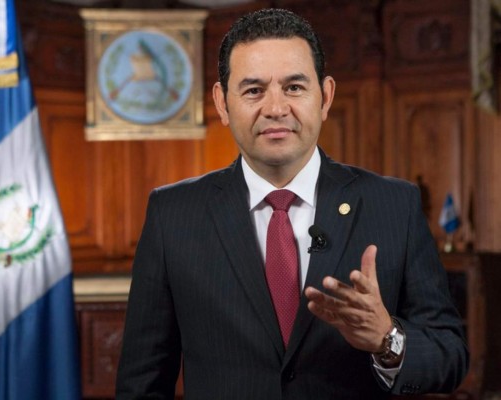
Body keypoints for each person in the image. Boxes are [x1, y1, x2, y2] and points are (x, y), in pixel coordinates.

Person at [115, 8, 468, 400]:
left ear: (325, 97)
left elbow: (450, 357)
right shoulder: (172, 215)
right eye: (253, 90)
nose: (276, 108)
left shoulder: (395, 206)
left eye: (294, 87)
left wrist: (387, 339)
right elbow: (141, 383)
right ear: (222, 103)